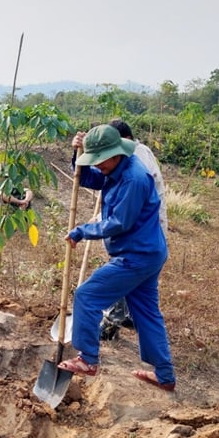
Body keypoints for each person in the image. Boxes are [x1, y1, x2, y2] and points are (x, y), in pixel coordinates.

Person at [58, 124, 176, 392]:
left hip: (136, 257)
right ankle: (165, 375)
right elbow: (88, 179)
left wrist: (81, 231)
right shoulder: (115, 169)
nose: (97, 166)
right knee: (146, 313)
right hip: (147, 252)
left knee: (87, 295)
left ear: (115, 154)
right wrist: (78, 156)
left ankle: (88, 358)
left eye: (99, 161)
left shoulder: (133, 178)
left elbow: (119, 223)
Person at [99, 118, 169, 340]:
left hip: (143, 231)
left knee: (124, 274)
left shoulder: (137, 157)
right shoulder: (131, 155)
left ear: (125, 140)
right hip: (139, 230)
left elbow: (130, 198)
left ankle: (113, 323)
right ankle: (134, 320)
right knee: (134, 281)